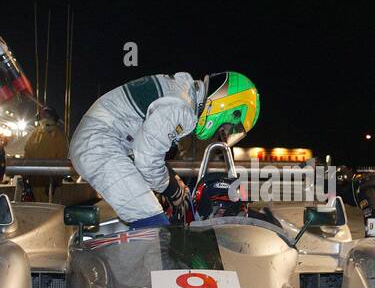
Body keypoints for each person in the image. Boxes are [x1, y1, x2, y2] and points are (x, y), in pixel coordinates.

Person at [69, 71, 259, 226]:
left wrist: (173, 180)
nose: (222, 132)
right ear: (229, 108)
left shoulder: (183, 94)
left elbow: (147, 145)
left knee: (152, 221)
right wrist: (173, 189)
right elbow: (146, 158)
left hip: (105, 141)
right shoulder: (181, 107)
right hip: (99, 143)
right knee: (153, 223)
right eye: (227, 127)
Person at [23, 106, 68, 201]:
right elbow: (27, 155)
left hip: (51, 185)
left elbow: (62, 160)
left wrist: (55, 182)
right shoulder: (35, 134)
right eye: (44, 116)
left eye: (48, 116)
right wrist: (25, 178)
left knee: (51, 213)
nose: (46, 119)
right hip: (35, 183)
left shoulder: (59, 136)